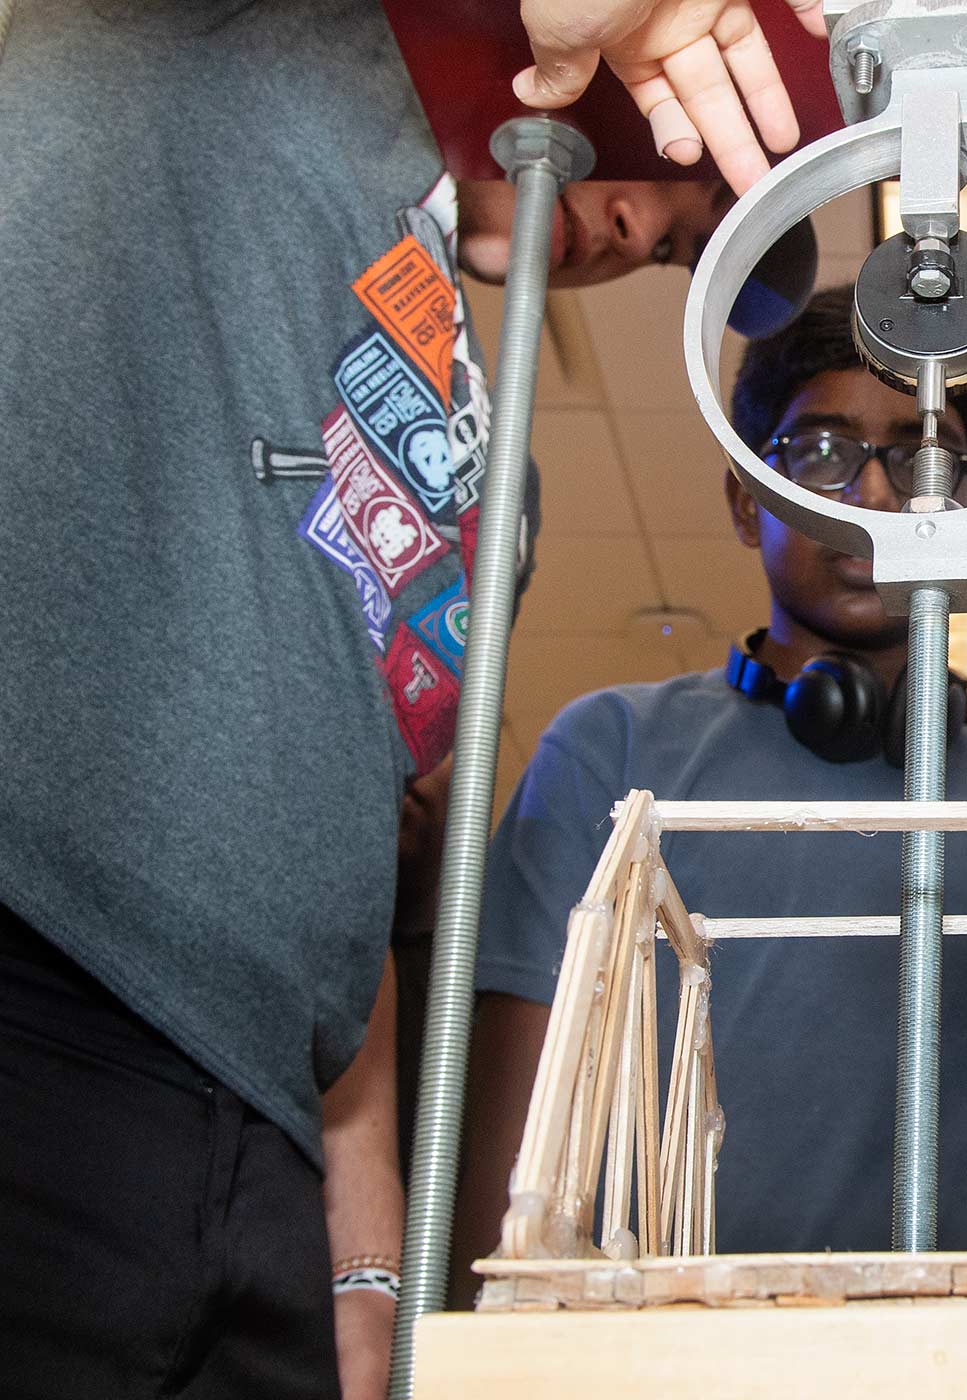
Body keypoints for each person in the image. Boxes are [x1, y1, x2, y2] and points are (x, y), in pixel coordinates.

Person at [0, 2, 769, 1393]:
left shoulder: (496, 473)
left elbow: (347, 867)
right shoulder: (250, 50)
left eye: (668, 248)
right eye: (664, 182)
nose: (634, 232)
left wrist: (362, 1259)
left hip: (259, 1145)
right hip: (43, 995)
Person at [457, 284, 967, 1299]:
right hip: (641, 1360)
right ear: (747, 501)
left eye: (922, 460)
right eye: (818, 452)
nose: (870, 496)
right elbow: (511, 1165)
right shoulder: (611, 747)